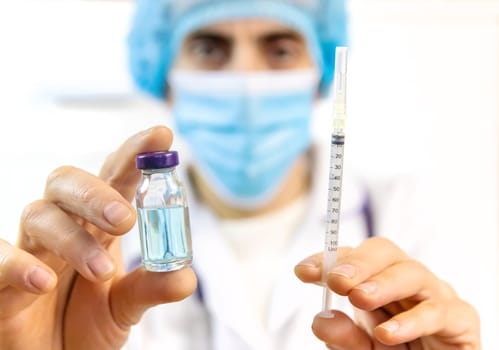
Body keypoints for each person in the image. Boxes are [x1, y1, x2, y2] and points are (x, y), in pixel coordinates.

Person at [0, 0, 482, 349]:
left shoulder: (408, 217)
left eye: (280, 49)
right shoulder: (92, 242)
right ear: (164, 74)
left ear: (319, 77)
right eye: (210, 48)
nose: (247, 79)